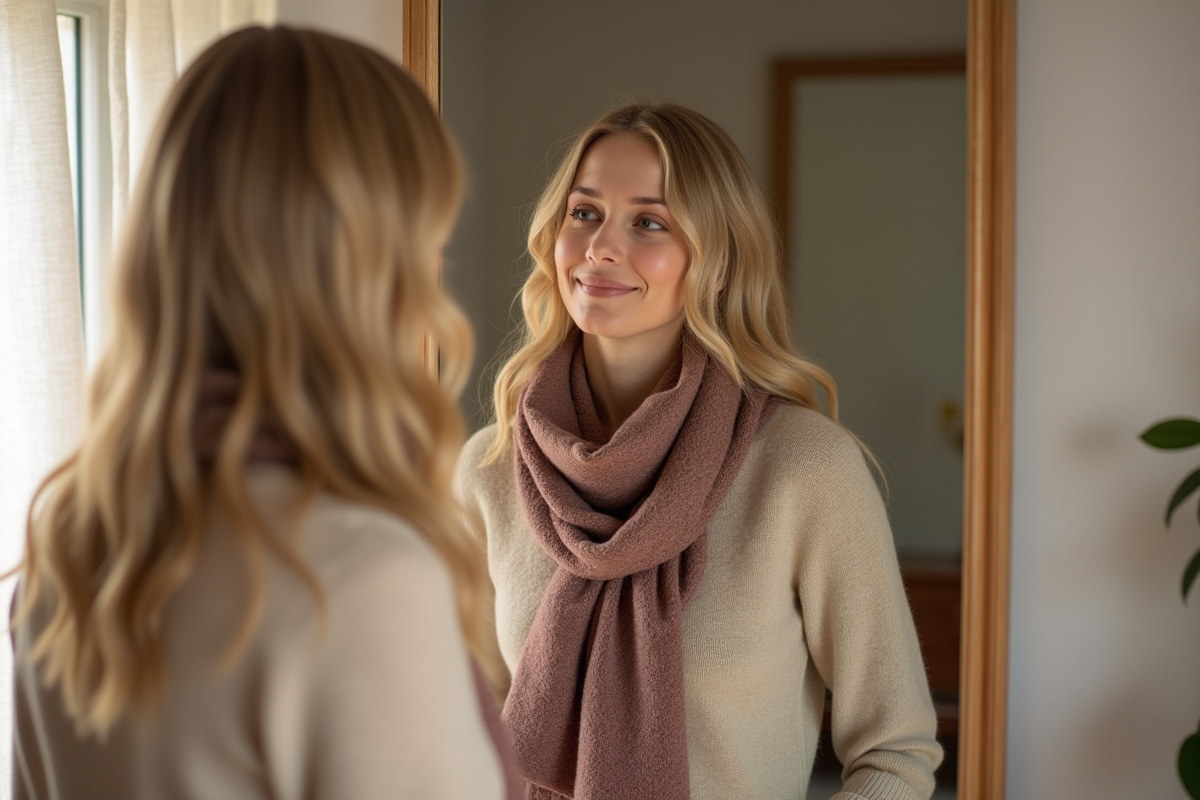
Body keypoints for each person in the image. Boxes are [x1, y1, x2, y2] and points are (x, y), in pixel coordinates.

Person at [11, 25, 517, 800]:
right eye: (426, 236)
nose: (437, 271)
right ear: (362, 263)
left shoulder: (75, 554)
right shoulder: (357, 575)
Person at [455, 102, 944, 800]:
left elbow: (896, 750)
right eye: (584, 212)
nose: (599, 246)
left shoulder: (804, 469)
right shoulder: (489, 470)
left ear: (716, 263)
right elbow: (460, 737)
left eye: (649, 222)